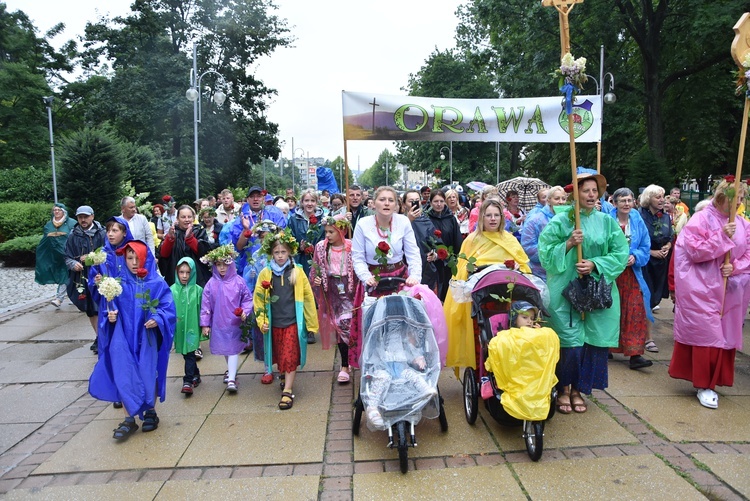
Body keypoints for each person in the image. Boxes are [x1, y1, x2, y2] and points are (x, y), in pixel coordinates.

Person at [538, 172, 628, 414]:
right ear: (575, 194)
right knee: (570, 342)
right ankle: (563, 388)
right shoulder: (559, 221)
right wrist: (567, 243)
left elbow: (620, 254)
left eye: (594, 190)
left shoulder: (607, 222)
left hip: (597, 293)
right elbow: (545, 254)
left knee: (591, 343)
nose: (591, 195)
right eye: (586, 190)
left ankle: (579, 389)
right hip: (565, 293)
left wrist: (595, 264)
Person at [668, 179, 750, 409]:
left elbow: (748, 254)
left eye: (742, 199)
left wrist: (734, 268)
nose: (740, 203)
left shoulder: (743, 225)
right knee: (707, 336)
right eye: (737, 199)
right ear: (724, 197)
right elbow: (693, 251)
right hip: (702, 289)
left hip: (730, 289)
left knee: (724, 335)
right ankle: (704, 384)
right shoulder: (701, 219)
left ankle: (715, 381)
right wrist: (722, 237)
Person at [89, 240, 175, 440]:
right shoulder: (117, 284)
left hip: (147, 337)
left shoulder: (156, 283)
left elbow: (168, 307)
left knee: (147, 371)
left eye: (138, 258)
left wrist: (158, 318)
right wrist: (109, 317)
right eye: (130, 258)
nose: (134, 262)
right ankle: (128, 418)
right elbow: (108, 308)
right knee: (123, 373)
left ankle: (150, 410)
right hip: (123, 337)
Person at [444, 199, 531, 370]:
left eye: (496, 215)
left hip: (508, 296)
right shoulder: (472, 240)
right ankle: (480, 371)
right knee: (482, 334)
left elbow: (523, 265)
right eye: (488, 215)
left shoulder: (510, 240)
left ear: (501, 218)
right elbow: (462, 269)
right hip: (482, 298)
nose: (492, 219)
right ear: (482, 217)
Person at [350, 186, 422, 368]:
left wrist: (415, 277)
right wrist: (365, 277)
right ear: (374, 203)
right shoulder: (363, 224)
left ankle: (410, 358)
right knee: (374, 323)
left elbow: (413, 253)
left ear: (397, 205)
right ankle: (374, 363)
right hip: (373, 280)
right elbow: (357, 256)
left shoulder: (403, 222)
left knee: (405, 320)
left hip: (399, 278)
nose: (387, 203)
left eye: (391, 200)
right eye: (382, 199)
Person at [255, 231, 319, 409]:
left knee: (290, 354)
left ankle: (288, 391)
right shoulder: (265, 274)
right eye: (277, 252)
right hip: (275, 322)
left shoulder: (297, 272)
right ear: (271, 254)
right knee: (279, 353)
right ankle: (282, 374)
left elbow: (307, 297)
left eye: (283, 252)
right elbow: (258, 299)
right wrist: (262, 320)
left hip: (292, 322)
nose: (280, 256)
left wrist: (311, 322)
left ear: (289, 252)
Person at [484, 301, 560, 421]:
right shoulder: (506, 337)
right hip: (515, 375)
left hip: (534, 374)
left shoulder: (537, 334)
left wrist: (540, 335)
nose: (529, 321)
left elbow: (544, 353)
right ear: (514, 318)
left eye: (532, 318)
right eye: (524, 317)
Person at [608, 188, 654, 370]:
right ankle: (607, 346)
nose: (627, 204)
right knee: (611, 310)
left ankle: (635, 353)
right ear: (615, 203)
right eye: (622, 201)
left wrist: (635, 255)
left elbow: (645, 243)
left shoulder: (637, 220)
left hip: (632, 273)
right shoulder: (608, 221)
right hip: (612, 274)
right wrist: (615, 258)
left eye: (629, 200)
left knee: (635, 309)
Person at [363, 319, 438, 428]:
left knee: (411, 374)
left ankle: (425, 389)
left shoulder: (403, 337)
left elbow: (410, 349)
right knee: (382, 378)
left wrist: (417, 358)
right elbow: (372, 349)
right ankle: (372, 406)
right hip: (382, 366)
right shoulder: (379, 334)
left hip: (401, 367)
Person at [310, 215, 357, 384]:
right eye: (326, 232)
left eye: (332, 232)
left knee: (351, 323)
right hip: (332, 289)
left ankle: (355, 357)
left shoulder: (351, 247)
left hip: (349, 288)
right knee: (339, 325)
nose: (328, 235)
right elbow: (315, 269)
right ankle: (345, 365)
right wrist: (317, 280)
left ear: (341, 231)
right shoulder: (321, 247)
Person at [200, 245, 252, 393]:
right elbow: (206, 305)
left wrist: (245, 312)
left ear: (231, 264)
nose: (222, 268)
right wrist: (205, 323)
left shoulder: (238, 281)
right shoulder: (211, 284)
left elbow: (247, 299)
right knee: (226, 349)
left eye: (225, 264)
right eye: (218, 264)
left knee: (233, 349)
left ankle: (231, 379)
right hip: (219, 323)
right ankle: (231, 371)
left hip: (234, 323)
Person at [64, 205, 107, 351]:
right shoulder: (73, 235)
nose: (83, 219)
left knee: (101, 306)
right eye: (80, 217)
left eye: (86, 216)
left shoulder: (102, 233)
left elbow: (109, 252)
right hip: (82, 276)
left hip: (101, 274)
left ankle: (104, 336)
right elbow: (67, 256)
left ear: (92, 216)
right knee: (90, 308)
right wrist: (73, 263)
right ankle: (99, 336)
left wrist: (91, 258)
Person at [230, 186, 288, 275]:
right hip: (251, 267)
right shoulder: (242, 218)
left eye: (259, 196)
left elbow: (283, 238)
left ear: (264, 198)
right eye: (252, 196)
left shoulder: (274, 213)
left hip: (275, 263)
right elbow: (239, 247)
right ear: (248, 199)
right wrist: (246, 229)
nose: (255, 199)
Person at [170, 257, 205, 395]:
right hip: (179, 328)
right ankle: (195, 373)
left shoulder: (197, 291)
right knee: (186, 354)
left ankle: (188, 381)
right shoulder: (172, 290)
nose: (184, 276)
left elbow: (203, 309)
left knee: (190, 353)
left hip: (192, 328)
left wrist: (204, 325)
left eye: (188, 272)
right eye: (181, 272)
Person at [159, 205, 217, 286]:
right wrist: (170, 238)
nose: (187, 220)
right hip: (175, 277)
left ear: (193, 218)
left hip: (197, 277)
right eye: (183, 217)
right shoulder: (172, 232)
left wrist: (190, 238)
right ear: (177, 219)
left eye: (189, 217)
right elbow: (164, 255)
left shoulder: (199, 231)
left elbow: (204, 254)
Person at [639, 185, 673, 315]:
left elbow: (670, 235)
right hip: (646, 261)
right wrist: (651, 252)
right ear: (648, 199)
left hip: (661, 260)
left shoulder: (665, 217)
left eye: (662, 197)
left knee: (657, 291)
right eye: (657, 197)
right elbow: (634, 241)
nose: (662, 200)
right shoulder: (639, 216)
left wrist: (668, 245)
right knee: (647, 292)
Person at [520, 186, 567, 281]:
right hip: (541, 275)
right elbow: (528, 247)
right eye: (557, 198)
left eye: (563, 198)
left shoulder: (569, 219)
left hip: (564, 273)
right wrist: (552, 254)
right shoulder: (535, 220)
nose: (561, 202)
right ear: (548, 201)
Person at [426, 189, 464, 301]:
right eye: (435, 201)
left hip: (449, 261)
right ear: (430, 202)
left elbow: (457, 240)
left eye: (441, 201)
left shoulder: (451, 218)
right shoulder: (426, 218)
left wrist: (457, 258)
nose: (439, 204)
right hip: (433, 262)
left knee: (448, 290)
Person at [36, 203, 77, 307]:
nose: (57, 212)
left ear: (64, 211)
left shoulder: (72, 223)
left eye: (59, 210)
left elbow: (76, 239)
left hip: (69, 255)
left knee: (67, 275)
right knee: (65, 276)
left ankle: (59, 298)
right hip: (55, 257)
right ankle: (73, 296)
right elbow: (44, 241)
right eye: (55, 210)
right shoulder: (49, 225)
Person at [402, 190, 441, 293]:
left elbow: (438, 244)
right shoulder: (398, 221)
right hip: (404, 269)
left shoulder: (426, 220)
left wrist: (435, 255)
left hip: (426, 270)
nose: (414, 203)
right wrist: (408, 220)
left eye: (417, 200)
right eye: (411, 201)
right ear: (404, 204)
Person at [287, 188, 325, 280]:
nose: (309, 203)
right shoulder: (293, 219)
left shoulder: (323, 220)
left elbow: (325, 238)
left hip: (318, 261)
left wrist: (316, 248)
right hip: (299, 260)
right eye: (306, 200)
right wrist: (299, 247)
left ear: (316, 203)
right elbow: (288, 239)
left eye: (312, 201)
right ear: (302, 202)